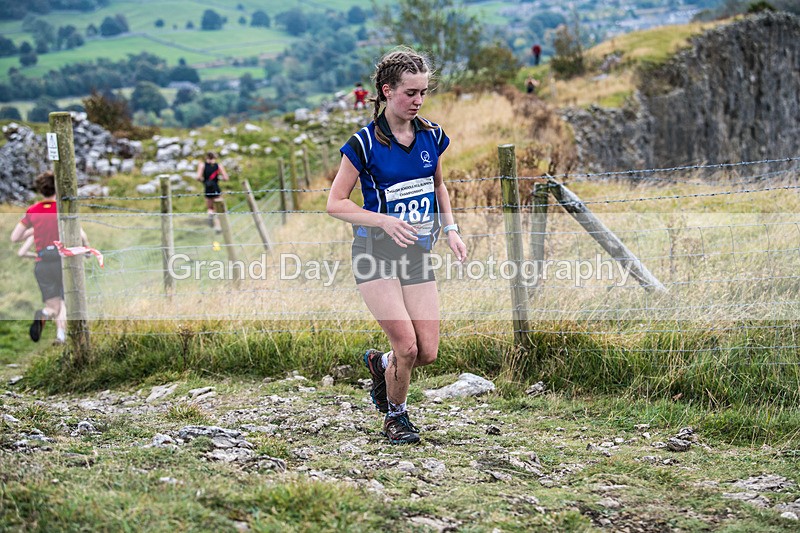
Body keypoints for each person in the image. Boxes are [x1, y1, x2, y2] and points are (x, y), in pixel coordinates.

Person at [327, 47, 467, 445]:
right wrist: (384, 220)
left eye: (423, 91)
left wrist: (451, 229)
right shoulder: (364, 144)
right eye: (410, 93)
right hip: (375, 255)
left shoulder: (432, 135)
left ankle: (379, 364)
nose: (418, 100)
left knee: (426, 352)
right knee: (405, 345)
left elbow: (438, 184)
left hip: (417, 253)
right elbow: (335, 203)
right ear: (387, 91)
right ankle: (396, 416)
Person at [10, 170, 89, 344]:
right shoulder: (62, 209)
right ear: (58, 188)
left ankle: (45, 314)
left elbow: (15, 238)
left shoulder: (32, 211)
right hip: (63, 261)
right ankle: (61, 337)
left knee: (53, 306)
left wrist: (35, 229)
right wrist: (87, 249)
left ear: (40, 190)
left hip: (42, 264)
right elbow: (80, 234)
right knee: (66, 302)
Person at [196, 152, 230, 232]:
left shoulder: (202, 165)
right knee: (219, 207)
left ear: (206, 157)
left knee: (210, 208)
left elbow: (198, 177)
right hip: (216, 187)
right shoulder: (218, 165)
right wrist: (218, 178)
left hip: (207, 187)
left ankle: (211, 217)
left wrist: (204, 181)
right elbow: (226, 178)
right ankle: (218, 226)